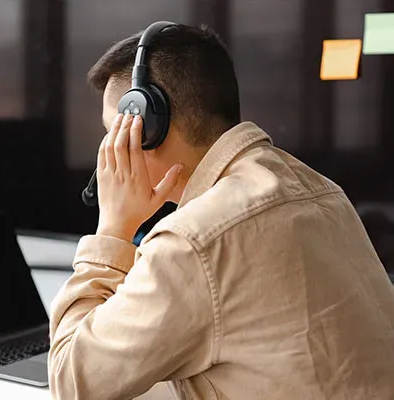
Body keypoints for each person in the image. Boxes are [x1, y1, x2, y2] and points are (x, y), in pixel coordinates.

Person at [48, 23, 394, 400]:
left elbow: (71, 381)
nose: (110, 155)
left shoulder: (194, 242)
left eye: (115, 135)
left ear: (148, 128)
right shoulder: (321, 191)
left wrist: (113, 230)